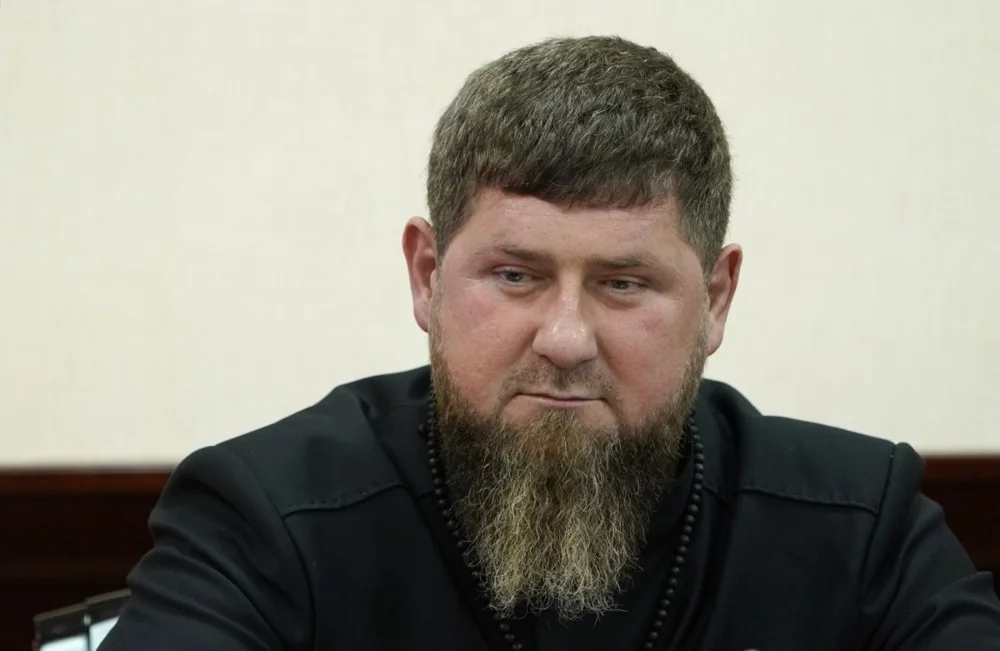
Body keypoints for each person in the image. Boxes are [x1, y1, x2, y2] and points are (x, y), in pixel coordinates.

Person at [99, 35, 1000, 650]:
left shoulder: (860, 525)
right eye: (515, 275)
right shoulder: (266, 516)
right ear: (426, 275)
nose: (566, 339)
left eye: (624, 283)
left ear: (716, 298)